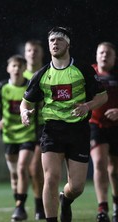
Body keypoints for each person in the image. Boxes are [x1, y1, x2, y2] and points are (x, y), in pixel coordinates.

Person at [20, 26, 108, 222]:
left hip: (78, 130)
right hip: (52, 130)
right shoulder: (42, 74)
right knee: (50, 179)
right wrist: (24, 113)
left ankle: (65, 199)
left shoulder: (83, 70)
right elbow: (25, 101)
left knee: (76, 187)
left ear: (68, 44)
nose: (55, 43)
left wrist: (87, 106)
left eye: (59, 39)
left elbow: (102, 96)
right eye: (51, 40)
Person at [0, 54, 36, 221]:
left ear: (24, 69)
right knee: (14, 175)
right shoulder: (2, 87)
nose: (16, 69)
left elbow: (38, 108)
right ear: (8, 68)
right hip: (9, 136)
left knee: (22, 168)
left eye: (20, 66)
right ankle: (18, 205)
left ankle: (20, 207)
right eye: (13, 65)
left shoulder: (30, 86)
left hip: (28, 133)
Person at [89, 42, 118, 222]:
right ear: (96, 55)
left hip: (116, 127)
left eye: (108, 53)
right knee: (99, 162)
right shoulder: (89, 74)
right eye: (101, 52)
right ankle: (102, 208)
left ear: (115, 58)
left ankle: (116, 205)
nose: (104, 56)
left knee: (114, 169)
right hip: (96, 124)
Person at [23, 39, 46, 220]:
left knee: (36, 168)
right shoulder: (19, 76)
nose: (33, 53)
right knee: (25, 170)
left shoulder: (48, 74)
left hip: (45, 126)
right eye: (29, 50)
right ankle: (29, 205)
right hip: (23, 130)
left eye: (36, 50)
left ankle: (41, 205)